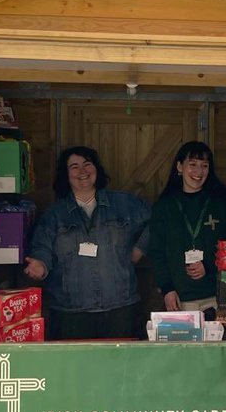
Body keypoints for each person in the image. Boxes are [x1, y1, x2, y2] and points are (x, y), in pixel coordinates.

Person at [24, 146, 150, 340]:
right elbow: (42, 248)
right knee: (76, 369)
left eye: (87, 164)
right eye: (74, 167)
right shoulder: (54, 214)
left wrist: (139, 249)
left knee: (120, 368)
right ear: (65, 175)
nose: (82, 171)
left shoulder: (124, 204)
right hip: (71, 312)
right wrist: (40, 265)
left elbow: (158, 221)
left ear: (96, 169)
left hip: (120, 308)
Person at [148, 142, 226, 319]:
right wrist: (167, 289)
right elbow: (156, 252)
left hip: (220, 298)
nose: (198, 172)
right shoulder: (164, 206)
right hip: (180, 299)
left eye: (204, 166)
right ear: (179, 166)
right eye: (192, 164)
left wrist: (209, 265)